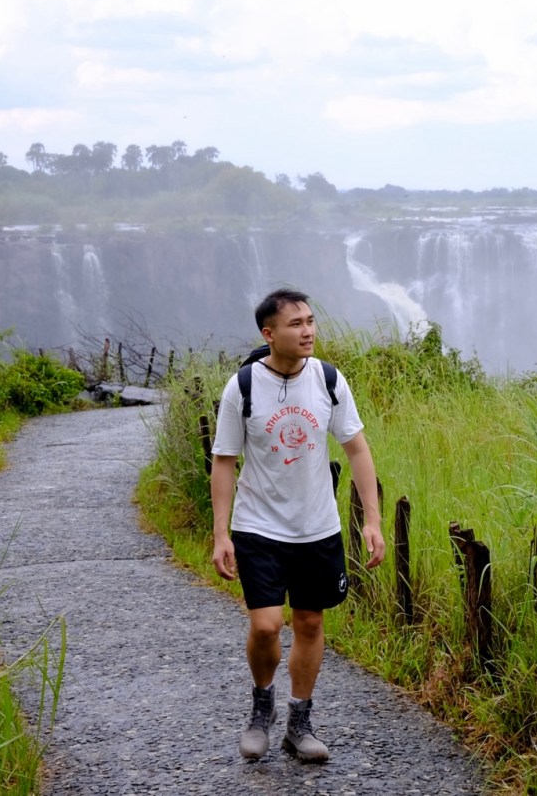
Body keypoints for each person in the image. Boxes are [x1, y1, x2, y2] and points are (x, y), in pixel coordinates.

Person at [210, 288, 385, 763]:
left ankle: (299, 722)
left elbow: (357, 448)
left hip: (317, 527)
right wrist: (221, 534)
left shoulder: (328, 379)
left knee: (310, 621)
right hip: (258, 526)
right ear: (269, 334)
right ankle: (261, 707)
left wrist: (372, 520)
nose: (308, 331)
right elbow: (224, 461)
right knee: (267, 625)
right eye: (296, 324)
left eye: (310, 321)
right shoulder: (243, 386)